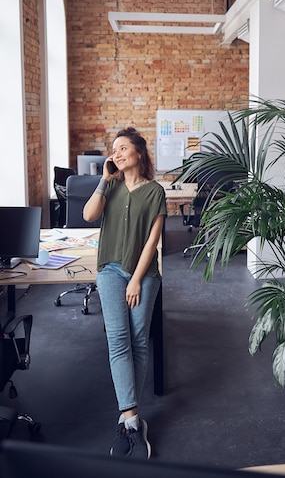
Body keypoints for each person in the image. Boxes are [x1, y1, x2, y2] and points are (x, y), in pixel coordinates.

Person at [83, 127, 166, 460]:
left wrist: (136, 279)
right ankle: (132, 419)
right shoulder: (111, 187)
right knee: (118, 340)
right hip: (109, 270)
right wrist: (104, 179)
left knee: (139, 339)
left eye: (123, 148)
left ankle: (128, 418)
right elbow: (88, 215)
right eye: (113, 149)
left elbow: (152, 242)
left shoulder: (155, 191)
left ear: (139, 153)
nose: (116, 154)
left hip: (143, 274)